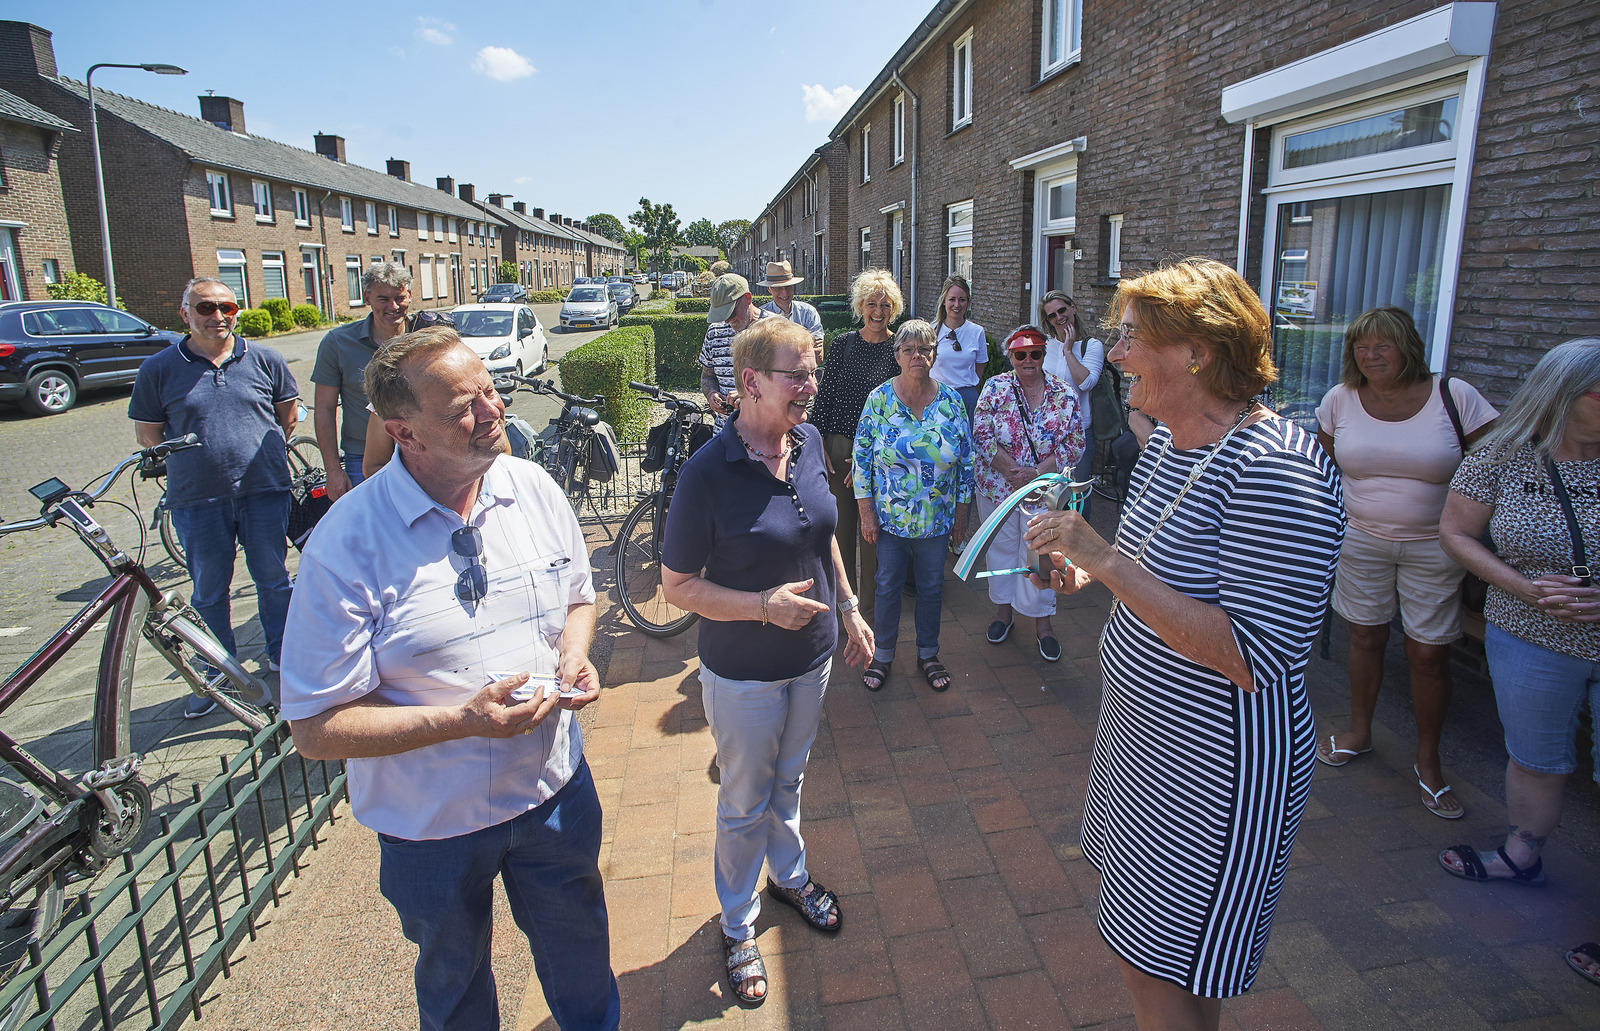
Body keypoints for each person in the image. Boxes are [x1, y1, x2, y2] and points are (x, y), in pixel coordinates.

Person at [1024, 258, 1343, 1029]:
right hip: (1143, 744)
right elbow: (1149, 565)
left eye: (1130, 335)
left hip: (1213, 769)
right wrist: (1088, 576)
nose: (1116, 352)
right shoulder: (1167, 443)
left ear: (1197, 351)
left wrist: (1101, 557)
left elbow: (1253, 656)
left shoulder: (1275, 471)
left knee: (1156, 963)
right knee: (1162, 956)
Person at [279, 326, 620, 1031]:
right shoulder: (348, 542)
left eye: (492, 389)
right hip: (430, 827)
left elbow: (579, 596)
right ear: (404, 431)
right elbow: (314, 728)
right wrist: (461, 721)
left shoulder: (531, 486)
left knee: (582, 960)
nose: (494, 410)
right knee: (455, 985)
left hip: (553, 793)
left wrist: (573, 656)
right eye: (465, 406)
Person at [660, 318, 873, 1008]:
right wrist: (760, 605)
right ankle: (736, 919)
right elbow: (677, 585)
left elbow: (824, 536)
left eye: (812, 371)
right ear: (750, 382)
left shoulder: (807, 441)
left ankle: (789, 873)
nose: (811, 386)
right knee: (744, 798)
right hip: (743, 670)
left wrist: (847, 606)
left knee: (791, 778)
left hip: (811, 660)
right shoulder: (707, 472)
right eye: (797, 373)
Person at [1313, 306, 1497, 819]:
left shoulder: (1453, 396)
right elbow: (1325, 466)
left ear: (1408, 346)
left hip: (1437, 548)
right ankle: (1359, 732)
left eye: (1382, 345)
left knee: (1429, 654)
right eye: (1360, 347)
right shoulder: (1341, 400)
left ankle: (1428, 763)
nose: (1369, 356)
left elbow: (1495, 463)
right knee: (1365, 636)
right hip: (1361, 541)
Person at [1436, 338, 1599, 889]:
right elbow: (1457, 533)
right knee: (1535, 756)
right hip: (1530, 635)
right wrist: (1523, 588)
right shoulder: (1502, 456)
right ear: (1563, 393)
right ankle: (1521, 854)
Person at [129, 277, 299, 714]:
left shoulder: (264, 358)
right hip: (197, 499)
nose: (218, 316)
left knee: (274, 579)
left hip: (264, 491)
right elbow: (149, 436)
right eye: (206, 308)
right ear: (185, 314)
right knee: (208, 591)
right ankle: (219, 673)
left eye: (228, 306)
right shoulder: (159, 369)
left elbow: (287, 416)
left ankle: (283, 657)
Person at [854, 319, 974, 694]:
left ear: (934, 354)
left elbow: (966, 462)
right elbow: (861, 459)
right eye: (909, 349)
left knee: (932, 587)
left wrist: (961, 515)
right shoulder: (879, 399)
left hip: (937, 521)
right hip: (890, 520)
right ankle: (884, 655)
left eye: (924, 349)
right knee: (887, 586)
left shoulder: (951, 401)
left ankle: (928, 653)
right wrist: (867, 513)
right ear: (897, 356)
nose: (917, 356)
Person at [973, 325, 1085, 662]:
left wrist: (1037, 472)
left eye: (1035, 353)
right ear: (1011, 357)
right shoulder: (995, 388)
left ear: (1043, 356)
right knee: (1003, 552)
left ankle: (1042, 624)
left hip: (1045, 492)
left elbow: (1076, 442)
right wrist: (1010, 470)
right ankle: (1003, 613)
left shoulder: (1064, 394)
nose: (1028, 360)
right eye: (1020, 354)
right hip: (998, 488)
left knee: (1041, 556)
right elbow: (979, 433)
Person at [809, 269, 903, 626]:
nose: (877, 311)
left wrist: (867, 459)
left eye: (884, 305)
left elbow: (901, 411)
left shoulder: (899, 350)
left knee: (874, 537)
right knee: (841, 533)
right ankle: (843, 612)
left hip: (880, 455)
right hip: (838, 450)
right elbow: (825, 397)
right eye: (870, 304)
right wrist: (819, 447)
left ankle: (873, 615)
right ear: (860, 306)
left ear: (893, 309)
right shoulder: (843, 344)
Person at [313, 261, 411, 499]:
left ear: (410, 295)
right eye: (383, 299)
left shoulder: (427, 337)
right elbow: (324, 409)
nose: (394, 306)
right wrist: (333, 470)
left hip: (421, 455)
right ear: (367, 297)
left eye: (400, 297)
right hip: (361, 459)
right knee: (370, 533)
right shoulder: (337, 343)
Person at [1040, 291, 1106, 517]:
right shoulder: (1045, 347)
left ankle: (1079, 549)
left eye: (1062, 310)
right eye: (1052, 315)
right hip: (1047, 432)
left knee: (1077, 495)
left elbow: (1086, 382)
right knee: (1048, 491)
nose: (1059, 317)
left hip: (1079, 432)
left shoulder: (1091, 346)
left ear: (1073, 308)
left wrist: (1067, 349)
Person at [700, 274, 773, 427]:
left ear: (748, 298)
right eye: (721, 314)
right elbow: (707, 377)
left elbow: (790, 385)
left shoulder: (777, 329)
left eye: (731, 312)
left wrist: (749, 398)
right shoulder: (714, 332)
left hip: (767, 434)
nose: (727, 320)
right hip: (725, 433)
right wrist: (711, 394)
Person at [928, 275, 986, 423]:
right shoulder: (931, 331)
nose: (957, 305)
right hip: (938, 398)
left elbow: (979, 369)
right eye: (952, 299)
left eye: (962, 299)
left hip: (967, 399)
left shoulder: (977, 332)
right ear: (944, 301)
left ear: (968, 302)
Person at [757, 260, 824, 352]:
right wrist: (804, 343)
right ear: (769, 289)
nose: (784, 293)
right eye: (778, 288)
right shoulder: (761, 317)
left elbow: (818, 351)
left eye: (788, 287)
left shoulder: (808, 312)